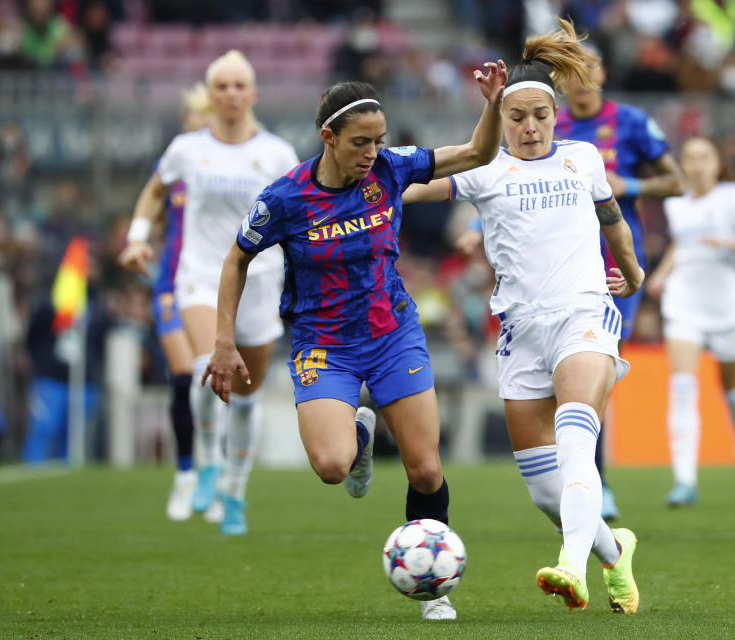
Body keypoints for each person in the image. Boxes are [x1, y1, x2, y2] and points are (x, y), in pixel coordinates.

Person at [203, 61, 508, 620]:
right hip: (323, 345)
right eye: (360, 142)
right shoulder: (285, 199)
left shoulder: (389, 171)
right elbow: (235, 260)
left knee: (425, 469)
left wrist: (492, 104)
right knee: (331, 467)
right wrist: (224, 342)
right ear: (329, 138)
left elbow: (476, 153)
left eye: (379, 141)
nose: (372, 152)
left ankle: (433, 591)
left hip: (392, 333)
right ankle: (357, 433)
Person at [403, 17, 643, 614]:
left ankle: (571, 566)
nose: (530, 126)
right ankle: (615, 553)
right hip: (519, 332)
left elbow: (612, 218)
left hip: (584, 316)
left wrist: (633, 273)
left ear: (556, 114)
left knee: (576, 448)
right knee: (543, 489)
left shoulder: (583, 159)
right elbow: (406, 190)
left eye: (540, 114)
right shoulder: (483, 170)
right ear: (501, 119)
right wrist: (362, 182)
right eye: (517, 117)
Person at [454, 40, 684, 521]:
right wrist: (478, 230)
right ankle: (593, 510)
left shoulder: (615, 133)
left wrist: (633, 194)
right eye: (519, 117)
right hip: (525, 308)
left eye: (592, 69)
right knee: (562, 427)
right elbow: (501, 192)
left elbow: (669, 186)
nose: (531, 125)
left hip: (601, 279)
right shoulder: (522, 142)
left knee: (578, 402)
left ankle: (589, 502)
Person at [119, 51, 298, 535]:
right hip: (199, 273)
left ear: (254, 94)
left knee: (245, 394)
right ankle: (207, 464)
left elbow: (301, 212)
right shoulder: (186, 148)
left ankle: (235, 491)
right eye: (223, 86)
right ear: (211, 93)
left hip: (259, 281)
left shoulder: (279, 154)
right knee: (205, 367)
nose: (232, 94)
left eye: (240, 86)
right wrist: (138, 237)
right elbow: (155, 190)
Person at [646, 136, 735, 507]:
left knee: (731, 390)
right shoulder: (676, 202)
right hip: (684, 304)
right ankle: (684, 480)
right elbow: (681, 244)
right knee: (683, 386)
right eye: (690, 157)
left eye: (704, 157)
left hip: (727, 309)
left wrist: (729, 243)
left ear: (718, 163)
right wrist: (662, 274)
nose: (697, 164)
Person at [118, 83, 211, 522]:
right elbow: (152, 199)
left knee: (213, 381)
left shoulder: (244, 162)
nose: (203, 123)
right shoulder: (178, 162)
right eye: (197, 115)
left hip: (220, 283)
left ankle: (217, 471)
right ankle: (187, 473)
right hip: (174, 281)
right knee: (184, 376)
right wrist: (138, 239)